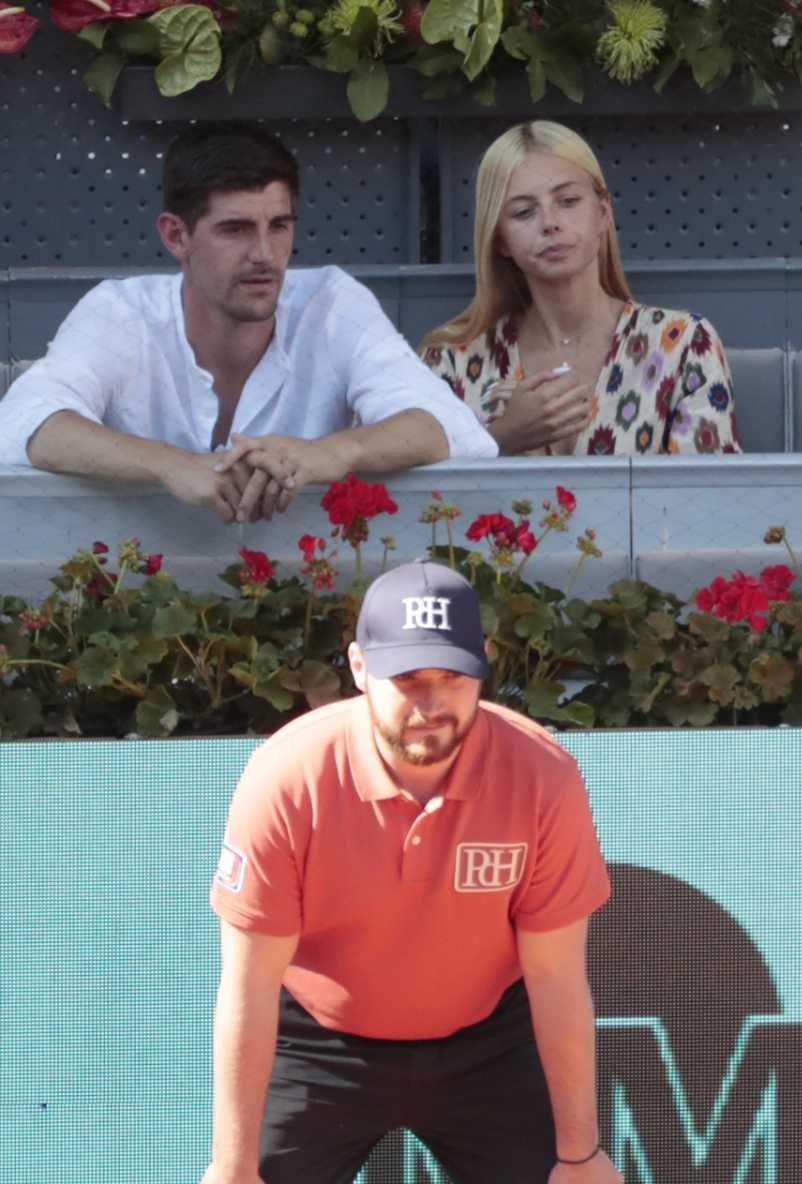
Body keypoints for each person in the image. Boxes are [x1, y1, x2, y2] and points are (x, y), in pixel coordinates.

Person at [202, 561, 620, 1184]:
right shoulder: (286, 777)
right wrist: (232, 1168)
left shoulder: (542, 775)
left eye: (452, 677)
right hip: (319, 1041)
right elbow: (250, 985)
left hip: (489, 1043)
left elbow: (556, 975)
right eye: (406, 677)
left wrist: (579, 1155)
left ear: (483, 662)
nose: (431, 704)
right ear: (360, 667)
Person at [0, 124, 496, 524]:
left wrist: (324, 455)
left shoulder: (332, 302)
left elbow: (455, 429)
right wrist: (172, 466)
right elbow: (21, 424)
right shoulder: (120, 312)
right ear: (176, 236)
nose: (264, 255)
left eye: (279, 226)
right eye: (235, 230)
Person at [421, 121, 739, 456]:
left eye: (568, 200)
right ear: (500, 239)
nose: (550, 222)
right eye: (524, 212)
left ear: (603, 213)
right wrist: (500, 440)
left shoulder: (683, 345)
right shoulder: (450, 362)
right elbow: (416, 501)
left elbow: (708, 499)